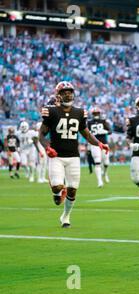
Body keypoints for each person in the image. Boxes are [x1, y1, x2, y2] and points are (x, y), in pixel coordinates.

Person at [39, 81, 109, 228]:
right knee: (57, 187)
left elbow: (87, 134)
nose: (68, 94)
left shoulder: (79, 112)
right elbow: (41, 135)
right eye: (64, 92)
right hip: (56, 156)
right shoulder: (50, 111)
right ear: (58, 95)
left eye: (70, 91)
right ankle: (58, 191)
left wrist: (99, 144)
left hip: (73, 157)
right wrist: (47, 147)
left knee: (72, 190)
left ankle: (66, 216)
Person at [87, 107, 112, 187]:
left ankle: (105, 173)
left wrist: (105, 131)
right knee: (97, 162)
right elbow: (86, 133)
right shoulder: (89, 122)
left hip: (104, 143)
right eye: (95, 113)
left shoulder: (103, 121)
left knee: (106, 162)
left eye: (97, 113)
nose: (96, 115)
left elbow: (110, 131)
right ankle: (99, 181)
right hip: (95, 144)